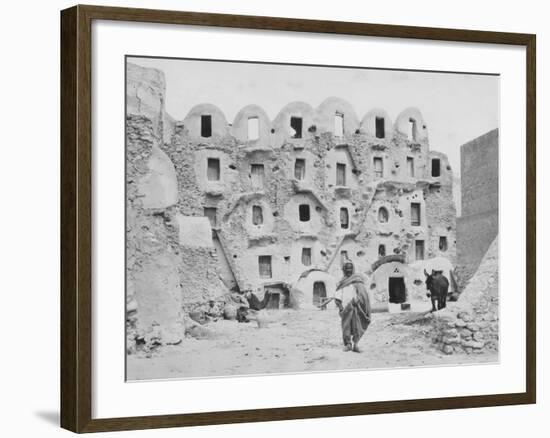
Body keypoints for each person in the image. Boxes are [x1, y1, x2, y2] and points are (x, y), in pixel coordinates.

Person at [334, 261, 371, 352]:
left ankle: (356, 345)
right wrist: (340, 307)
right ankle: (348, 344)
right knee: (346, 326)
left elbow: (362, 293)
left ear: (353, 269)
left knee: (357, 326)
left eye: (350, 268)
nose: (349, 270)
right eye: (347, 268)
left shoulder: (357, 279)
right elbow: (337, 295)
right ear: (344, 270)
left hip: (356, 306)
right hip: (345, 308)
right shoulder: (342, 282)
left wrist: (359, 299)